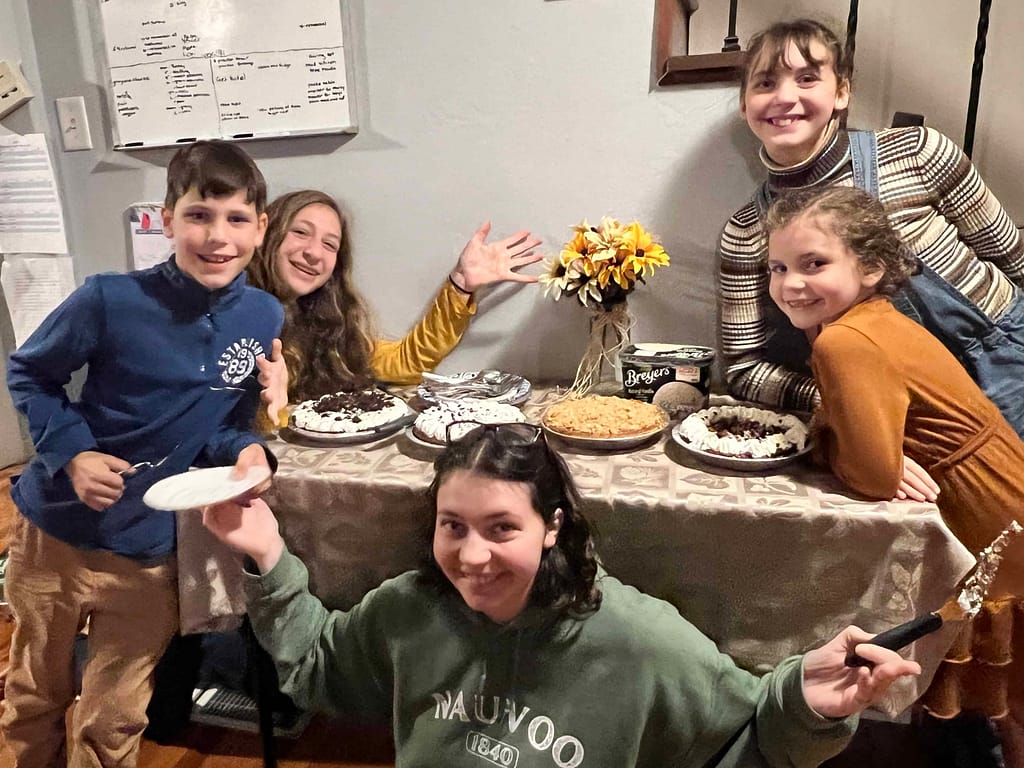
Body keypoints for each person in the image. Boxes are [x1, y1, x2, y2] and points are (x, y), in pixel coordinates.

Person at [201, 422, 919, 767]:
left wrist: (801, 701)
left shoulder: (638, 641)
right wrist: (267, 552)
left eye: (500, 527)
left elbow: (745, 735)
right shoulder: (409, 609)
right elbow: (322, 666)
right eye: (453, 526)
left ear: (551, 528)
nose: (471, 555)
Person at [1, 139, 283, 767]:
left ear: (261, 228)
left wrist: (250, 454)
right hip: (58, 536)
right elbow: (30, 375)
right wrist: (73, 454)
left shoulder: (263, 316)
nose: (218, 237)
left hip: (152, 553)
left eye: (237, 218)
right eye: (199, 216)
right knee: (34, 695)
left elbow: (226, 421)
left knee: (115, 717)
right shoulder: (108, 299)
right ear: (166, 218)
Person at [764, 185, 1024, 768]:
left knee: (1015, 681)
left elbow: (874, 476)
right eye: (778, 267)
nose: (790, 284)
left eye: (814, 264)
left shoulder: (845, 341)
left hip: (986, 505)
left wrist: (838, 445)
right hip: (1002, 480)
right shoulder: (870, 318)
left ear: (873, 266)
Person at [718, 18, 1024, 433]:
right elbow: (744, 370)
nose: (785, 97)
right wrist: (849, 396)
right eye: (765, 83)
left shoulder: (917, 152)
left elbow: (1015, 260)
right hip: (895, 412)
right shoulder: (746, 232)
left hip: (1006, 366)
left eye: (808, 78)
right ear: (744, 104)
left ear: (842, 91)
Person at [246, 189, 543, 404]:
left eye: (329, 244)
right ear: (266, 233)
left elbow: (405, 363)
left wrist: (461, 284)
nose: (313, 252)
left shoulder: (325, 326)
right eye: (300, 232)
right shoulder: (236, 317)